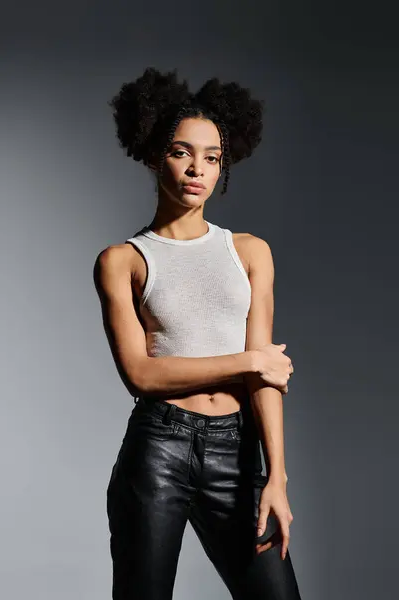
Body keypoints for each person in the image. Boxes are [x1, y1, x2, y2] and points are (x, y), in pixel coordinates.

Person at [94, 67, 301, 599]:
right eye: (182, 152)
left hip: (238, 452)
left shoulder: (250, 252)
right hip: (158, 449)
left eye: (212, 157)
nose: (197, 169)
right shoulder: (123, 261)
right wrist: (249, 362)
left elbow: (266, 378)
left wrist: (275, 476)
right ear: (151, 153)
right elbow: (141, 375)